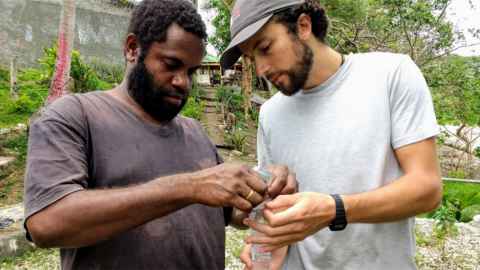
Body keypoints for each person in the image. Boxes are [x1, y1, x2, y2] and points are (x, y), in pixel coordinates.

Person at [23, 1, 297, 269]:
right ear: (132, 49)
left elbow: (231, 210)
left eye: (191, 71)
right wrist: (191, 186)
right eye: (171, 64)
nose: (183, 82)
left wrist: (264, 194)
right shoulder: (76, 116)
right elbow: (47, 224)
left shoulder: (195, 132)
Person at [220, 0, 442, 269]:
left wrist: (333, 209)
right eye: (252, 57)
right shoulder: (271, 114)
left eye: (265, 48)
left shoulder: (390, 75)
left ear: (303, 25)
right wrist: (268, 242)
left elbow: (427, 189)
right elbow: (274, 204)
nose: (261, 69)